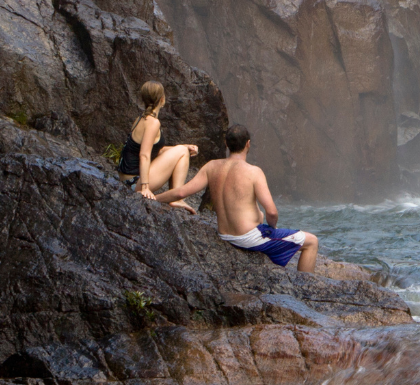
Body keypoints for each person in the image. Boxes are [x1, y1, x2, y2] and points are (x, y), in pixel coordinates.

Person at [151, 124, 319, 272]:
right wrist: (271, 229)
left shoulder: (211, 166)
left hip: (225, 235)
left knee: (258, 215)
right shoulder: (253, 172)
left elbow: (181, 193)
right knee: (311, 242)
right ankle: (303, 290)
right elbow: (272, 212)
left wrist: (153, 198)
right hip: (249, 238)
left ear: (226, 144)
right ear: (248, 144)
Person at [120, 81, 198, 213]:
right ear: (162, 99)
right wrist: (145, 187)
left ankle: (173, 196)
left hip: (126, 180)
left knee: (182, 149)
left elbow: (157, 150)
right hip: (135, 183)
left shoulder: (141, 118)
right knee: (182, 151)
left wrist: (183, 147)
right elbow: (144, 155)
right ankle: (175, 198)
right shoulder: (153, 123)